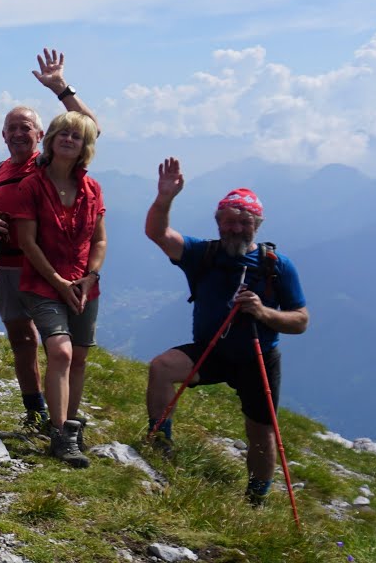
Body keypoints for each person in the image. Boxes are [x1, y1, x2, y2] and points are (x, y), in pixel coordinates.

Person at [144, 158, 308, 505]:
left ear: (257, 224)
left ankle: (255, 498)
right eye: (228, 221)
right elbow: (158, 234)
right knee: (161, 367)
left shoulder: (275, 266)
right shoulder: (203, 254)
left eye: (243, 222)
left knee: (261, 433)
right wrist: (165, 197)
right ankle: (160, 448)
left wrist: (262, 312)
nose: (235, 229)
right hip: (212, 350)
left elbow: (301, 320)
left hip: (258, 357)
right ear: (218, 222)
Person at [0, 49, 101, 430]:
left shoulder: (47, 164)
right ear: (3, 135)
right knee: (21, 339)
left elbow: (89, 130)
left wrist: (61, 88)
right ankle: (36, 409)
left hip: (47, 271)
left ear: (39, 135)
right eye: (11, 128)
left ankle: (61, 416)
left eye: (25, 128)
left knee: (57, 344)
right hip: (8, 266)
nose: (18, 133)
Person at [7, 111, 105, 468]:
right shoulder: (32, 185)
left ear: (84, 146)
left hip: (83, 285)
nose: (68, 139)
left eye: (75, 136)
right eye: (62, 133)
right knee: (61, 352)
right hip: (43, 283)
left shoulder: (92, 188)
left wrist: (89, 278)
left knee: (78, 356)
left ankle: (70, 426)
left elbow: (100, 240)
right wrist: (60, 283)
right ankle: (60, 432)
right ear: (50, 139)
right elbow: (28, 243)